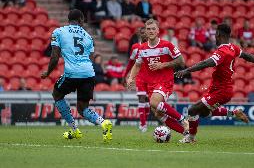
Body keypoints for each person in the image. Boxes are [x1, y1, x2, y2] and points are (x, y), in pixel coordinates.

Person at [175, 23, 254, 143]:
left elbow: (205, 63)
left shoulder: (222, 52)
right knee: (204, 113)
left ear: (218, 34)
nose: (214, 37)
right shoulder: (233, 47)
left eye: (215, 35)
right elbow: (247, 56)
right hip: (219, 89)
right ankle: (234, 113)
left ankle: (190, 138)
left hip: (221, 90)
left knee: (192, 110)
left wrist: (186, 70)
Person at [41, 9, 112, 141]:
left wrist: (48, 72)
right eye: (83, 19)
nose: (84, 22)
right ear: (80, 20)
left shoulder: (58, 32)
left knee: (57, 94)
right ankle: (103, 122)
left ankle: (74, 129)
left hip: (72, 72)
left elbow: (55, 57)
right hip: (89, 73)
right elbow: (90, 58)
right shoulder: (88, 36)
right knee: (83, 108)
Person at [127, 19, 190, 141]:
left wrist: (163, 64)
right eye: (148, 29)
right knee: (158, 114)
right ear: (145, 31)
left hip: (165, 81)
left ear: (158, 31)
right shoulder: (142, 48)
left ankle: (183, 120)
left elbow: (181, 61)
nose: (150, 31)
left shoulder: (167, 45)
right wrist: (130, 78)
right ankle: (187, 134)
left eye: (153, 29)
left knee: (154, 102)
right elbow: (137, 64)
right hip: (151, 85)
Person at [123, 27, 150, 132]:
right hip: (140, 77)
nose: (144, 34)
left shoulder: (152, 46)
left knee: (148, 101)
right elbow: (130, 62)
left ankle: (144, 122)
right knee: (141, 98)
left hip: (152, 77)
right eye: (142, 33)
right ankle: (143, 125)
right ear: (139, 34)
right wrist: (125, 75)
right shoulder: (135, 47)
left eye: (146, 32)